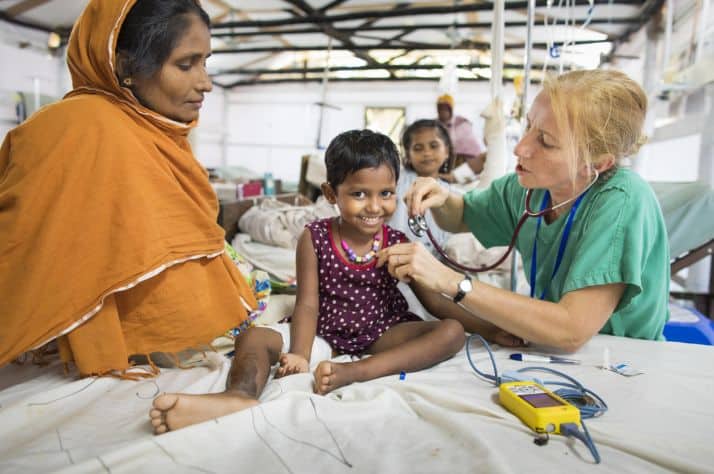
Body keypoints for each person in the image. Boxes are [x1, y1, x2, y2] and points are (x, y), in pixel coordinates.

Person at [149, 130, 467, 434]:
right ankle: (239, 396)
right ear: (331, 193)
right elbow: (307, 303)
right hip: (323, 334)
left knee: (451, 331)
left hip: (382, 333)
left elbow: (435, 301)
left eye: (385, 194)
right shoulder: (314, 237)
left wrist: (492, 329)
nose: (374, 206)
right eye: (359, 194)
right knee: (255, 337)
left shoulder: (397, 242)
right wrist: (300, 353)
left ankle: (356, 372)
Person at [0, 0, 256, 376]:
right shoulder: (82, 127)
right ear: (125, 68)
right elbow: (39, 258)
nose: (205, 83)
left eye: (206, 63)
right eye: (185, 64)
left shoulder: (155, 131)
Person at [380, 70, 670, 351]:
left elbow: (571, 329)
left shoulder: (622, 202)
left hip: (622, 357)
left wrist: (450, 280)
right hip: (550, 349)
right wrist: (443, 198)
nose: (521, 147)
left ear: (597, 163)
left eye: (545, 141)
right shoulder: (528, 189)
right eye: (528, 126)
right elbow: (461, 216)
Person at [388, 119, 455, 256]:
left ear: (447, 150)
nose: (427, 153)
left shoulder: (452, 194)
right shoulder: (395, 180)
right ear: (407, 153)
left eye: (434, 146)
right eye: (418, 148)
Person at [436, 93, 486, 179]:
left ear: (451, 109)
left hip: (462, 161)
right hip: (440, 162)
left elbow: (468, 145)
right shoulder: (434, 125)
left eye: (445, 108)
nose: (442, 111)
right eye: (440, 108)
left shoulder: (462, 123)